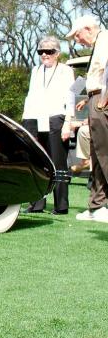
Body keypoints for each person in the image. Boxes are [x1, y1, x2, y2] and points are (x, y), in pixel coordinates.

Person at [20, 36, 75, 214]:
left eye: (49, 51)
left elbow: (71, 98)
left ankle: (61, 205)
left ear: (57, 53)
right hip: (34, 118)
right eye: (41, 51)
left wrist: (68, 123)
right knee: (37, 162)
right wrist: (25, 119)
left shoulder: (66, 71)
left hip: (56, 118)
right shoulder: (35, 70)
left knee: (58, 162)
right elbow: (30, 95)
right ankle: (37, 203)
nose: (44, 54)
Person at [68, 14, 108, 222]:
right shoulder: (99, 42)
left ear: (88, 29)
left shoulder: (105, 40)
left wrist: (104, 99)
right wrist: (90, 99)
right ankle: (96, 206)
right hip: (95, 99)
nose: (77, 40)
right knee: (97, 156)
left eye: (77, 35)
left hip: (102, 100)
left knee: (104, 154)